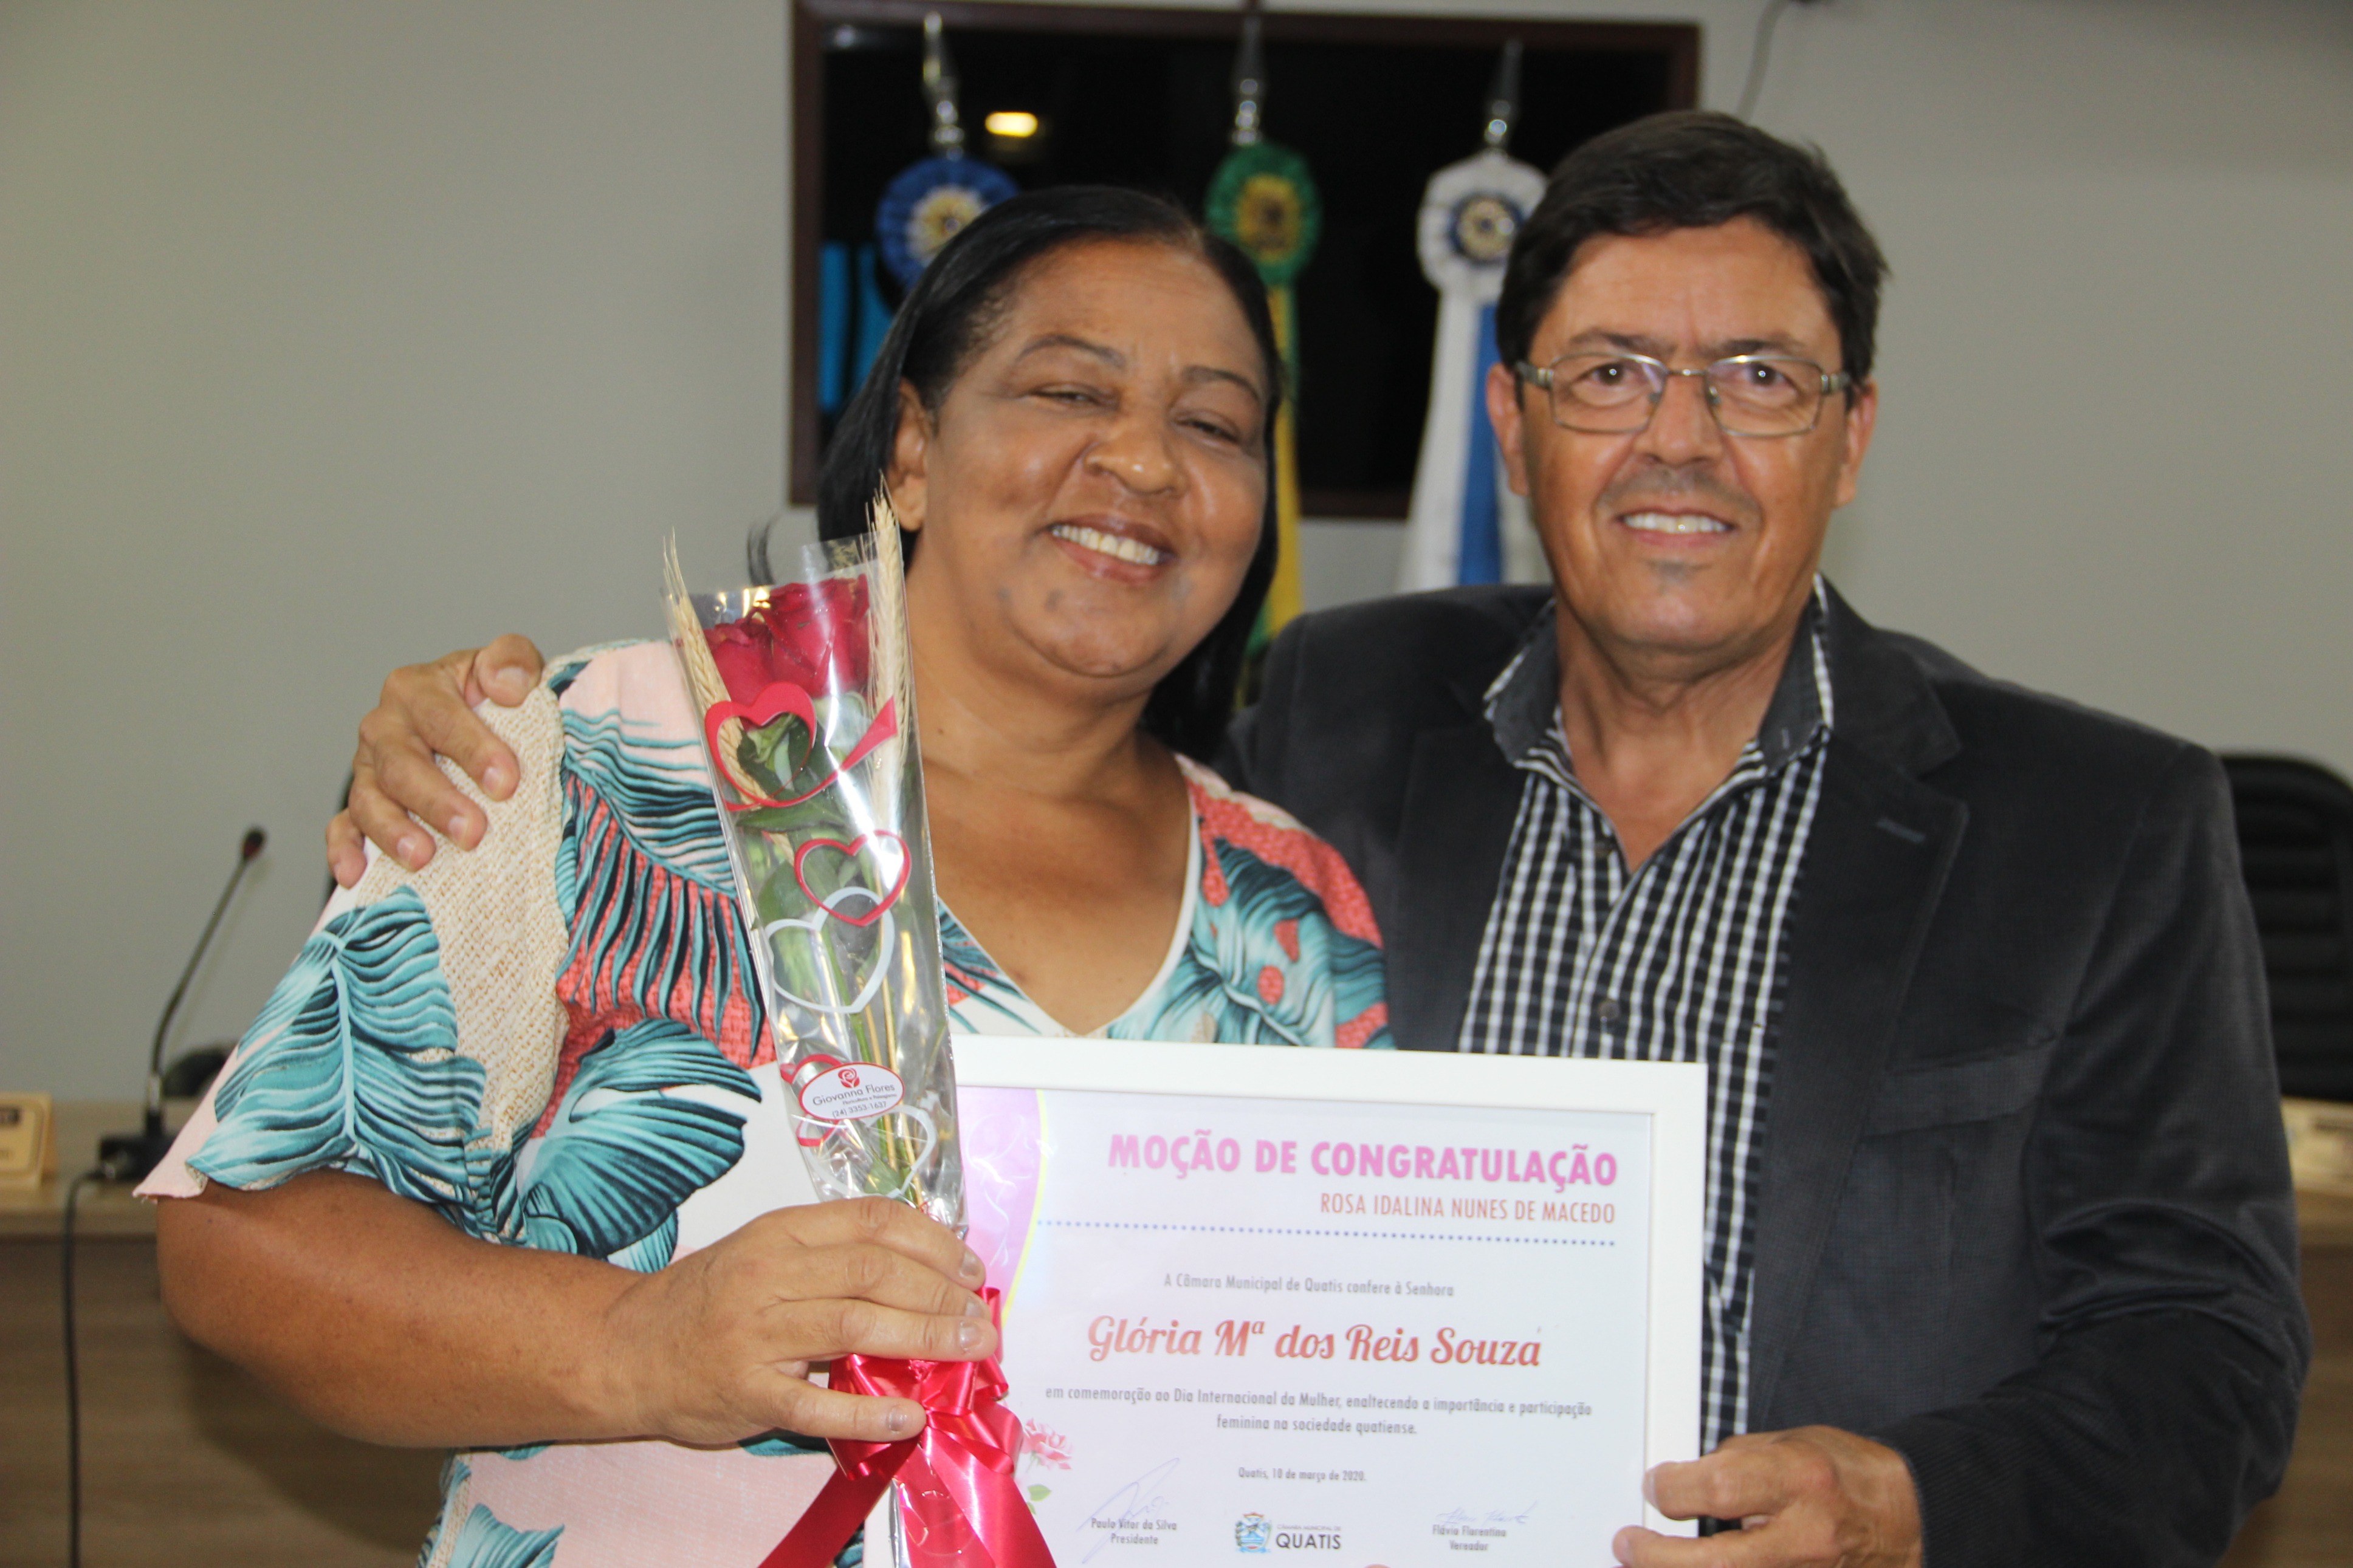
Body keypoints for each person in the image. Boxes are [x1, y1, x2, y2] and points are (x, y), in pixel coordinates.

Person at [341, 115, 2309, 1567]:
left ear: (1852, 434)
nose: (1681, 439)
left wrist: (1913, 1504)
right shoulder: (1342, 713)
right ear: (1520, 428)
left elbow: (2208, 1350)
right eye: (1612, 374)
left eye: (1761, 380)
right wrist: (491, 746)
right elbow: (988, 759)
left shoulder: (2100, 824)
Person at [149, 186, 1393, 1568]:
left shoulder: (1296, 907)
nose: (1145, 460)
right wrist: (636, 1345)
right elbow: (239, 1243)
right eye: (1068, 391)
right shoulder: (599, 751)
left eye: (1214, 424)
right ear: (912, 449)